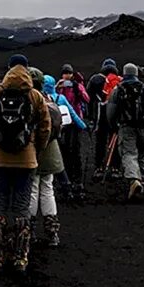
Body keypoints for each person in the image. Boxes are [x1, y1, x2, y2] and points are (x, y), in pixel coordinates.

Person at [0, 54, 51, 274]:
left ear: (8, 69)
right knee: (21, 208)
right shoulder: (35, 96)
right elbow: (46, 126)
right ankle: (20, 258)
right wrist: (35, 149)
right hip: (26, 161)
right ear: (27, 70)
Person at [106, 64, 144, 201]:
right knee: (141, 153)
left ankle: (134, 179)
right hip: (142, 127)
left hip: (126, 127)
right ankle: (143, 180)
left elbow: (111, 112)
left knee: (129, 153)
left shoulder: (118, 89)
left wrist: (113, 127)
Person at [32, 72, 66, 247]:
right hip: (51, 152)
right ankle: (52, 232)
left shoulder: (30, 102)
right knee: (47, 189)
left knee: (31, 190)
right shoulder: (50, 101)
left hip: (31, 153)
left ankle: (28, 230)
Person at [48, 71, 88, 200]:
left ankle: (56, 184)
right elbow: (72, 113)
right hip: (65, 129)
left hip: (47, 134)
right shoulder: (61, 98)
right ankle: (70, 184)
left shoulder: (40, 98)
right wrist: (83, 126)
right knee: (69, 154)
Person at [89, 59, 121, 178]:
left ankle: (99, 167)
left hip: (101, 115)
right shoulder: (118, 80)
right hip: (115, 116)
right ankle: (115, 168)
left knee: (100, 142)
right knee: (115, 141)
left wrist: (91, 117)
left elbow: (89, 98)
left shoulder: (95, 79)